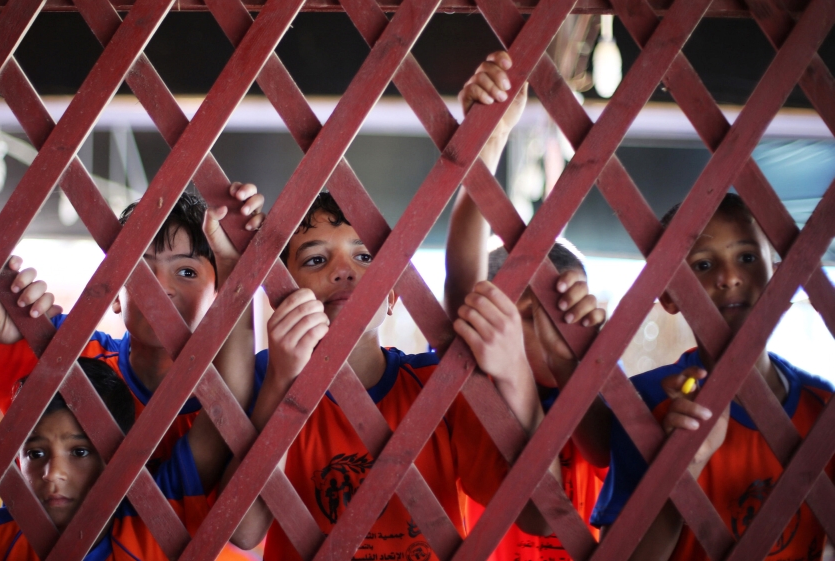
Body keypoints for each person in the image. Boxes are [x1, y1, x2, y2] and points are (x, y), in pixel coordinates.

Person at [227, 185, 600, 560]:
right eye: (315, 260)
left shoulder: (436, 384)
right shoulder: (264, 378)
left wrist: (514, 369)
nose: (343, 271)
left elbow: (540, 514)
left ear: (393, 294)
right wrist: (282, 379)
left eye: (363, 256)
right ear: (278, 291)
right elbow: (242, 530)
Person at [0, 186, 263, 458]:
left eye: (186, 272)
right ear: (114, 294)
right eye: (142, 271)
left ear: (221, 295)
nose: (161, 289)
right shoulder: (67, 354)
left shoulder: (242, 386)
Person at [590, 193, 834, 560]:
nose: (729, 277)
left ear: (783, 279)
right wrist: (684, 465)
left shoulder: (824, 408)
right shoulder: (648, 403)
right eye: (703, 265)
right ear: (670, 295)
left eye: (748, 258)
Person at [444, 51, 611, 561]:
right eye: (525, 314)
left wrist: (576, 356)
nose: (541, 331)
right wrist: (488, 142)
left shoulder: (602, 403)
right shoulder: (479, 393)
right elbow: (462, 284)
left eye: (561, 310)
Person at [0, 357, 232, 561]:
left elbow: (223, 417)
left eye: (80, 451)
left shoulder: (157, 522)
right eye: (35, 453)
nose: (54, 474)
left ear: (122, 454)